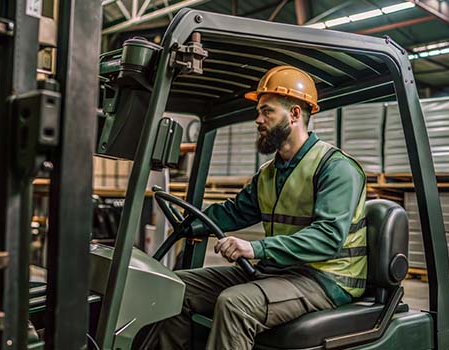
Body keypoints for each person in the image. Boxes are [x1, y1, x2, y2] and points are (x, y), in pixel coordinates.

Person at [152, 65, 367, 349]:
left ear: (294, 114)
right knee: (174, 287)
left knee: (235, 304)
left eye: (267, 111)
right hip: (280, 271)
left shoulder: (335, 168)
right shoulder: (269, 172)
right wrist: (188, 224)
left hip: (326, 278)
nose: (258, 119)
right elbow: (234, 211)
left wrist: (255, 248)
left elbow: (328, 238)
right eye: (259, 112)